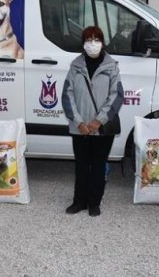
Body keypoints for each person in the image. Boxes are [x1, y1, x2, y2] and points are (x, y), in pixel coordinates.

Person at [61, 26, 124, 217]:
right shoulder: (75, 66)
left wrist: (98, 121)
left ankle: (94, 202)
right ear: (83, 43)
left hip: (101, 128)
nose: (93, 43)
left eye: (97, 39)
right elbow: (67, 95)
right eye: (89, 39)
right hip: (79, 127)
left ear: (103, 42)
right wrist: (79, 122)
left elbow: (116, 96)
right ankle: (79, 201)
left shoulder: (112, 66)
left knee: (98, 165)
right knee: (81, 165)